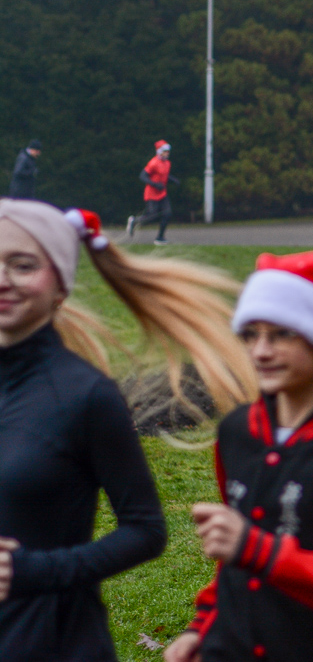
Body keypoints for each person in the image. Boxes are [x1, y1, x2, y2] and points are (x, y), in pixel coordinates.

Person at [0, 200, 256, 660]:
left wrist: (36, 570)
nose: (3, 280)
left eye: (22, 265)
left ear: (60, 284)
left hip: (52, 642)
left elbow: (146, 530)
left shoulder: (85, 396)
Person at [165, 246, 313, 662]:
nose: (260, 351)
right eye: (251, 334)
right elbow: (234, 558)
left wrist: (258, 548)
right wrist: (202, 626)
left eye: (282, 333)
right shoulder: (238, 431)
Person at [127, 140, 174, 246]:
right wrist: (155, 184)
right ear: (159, 151)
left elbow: (164, 175)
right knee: (151, 215)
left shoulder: (167, 163)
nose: (167, 153)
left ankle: (160, 238)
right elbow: (142, 176)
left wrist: (172, 180)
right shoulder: (153, 163)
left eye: (168, 151)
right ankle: (134, 221)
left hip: (162, 193)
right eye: (165, 151)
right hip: (152, 194)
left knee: (167, 213)